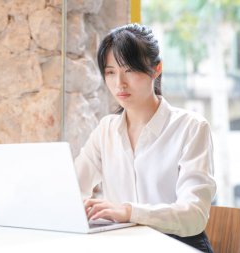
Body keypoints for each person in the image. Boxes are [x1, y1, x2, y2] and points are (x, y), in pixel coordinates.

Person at [74, 23, 216, 253]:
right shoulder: (106, 129)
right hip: (126, 246)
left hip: (179, 246)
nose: (119, 83)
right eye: (110, 72)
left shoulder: (191, 127)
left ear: (156, 69)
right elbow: (73, 188)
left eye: (129, 69)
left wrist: (129, 212)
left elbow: (194, 215)